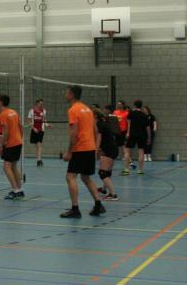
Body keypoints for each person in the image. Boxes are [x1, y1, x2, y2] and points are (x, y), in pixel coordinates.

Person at [60, 85, 105, 218]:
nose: (65, 94)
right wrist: (95, 147)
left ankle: (75, 209)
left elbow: (74, 133)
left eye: (67, 92)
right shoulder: (88, 109)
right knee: (85, 177)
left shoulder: (73, 110)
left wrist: (69, 152)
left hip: (80, 148)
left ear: (71, 94)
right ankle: (98, 204)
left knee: (70, 177)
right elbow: (95, 130)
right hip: (90, 147)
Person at [0, 95, 24, 200]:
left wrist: (0, 146)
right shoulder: (14, 112)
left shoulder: (3, 114)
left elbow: (6, 132)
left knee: (6, 167)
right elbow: (21, 126)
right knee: (13, 167)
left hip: (11, 144)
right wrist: (19, 138)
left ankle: (15, 191)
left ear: (1, 102)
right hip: (18, 142)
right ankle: (20, 190)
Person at [94, 108, 119, 201]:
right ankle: (104, 189)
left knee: (102, 173)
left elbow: (99, 138)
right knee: (107, 172)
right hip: (112, 148)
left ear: (95, 116)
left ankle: (113, 195)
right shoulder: (102, 123)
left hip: (109, 150)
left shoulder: (99, 124)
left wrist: (96, 151)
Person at [122, 100, 151, 176]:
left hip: (132, 134)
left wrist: (128, 133)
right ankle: (140, 170)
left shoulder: (131, 113)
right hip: (142, 135)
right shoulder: (144, 115)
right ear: (141, 106)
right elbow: (148, 128)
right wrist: (149, 137)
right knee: (141, 152)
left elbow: (128, 123)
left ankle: (126, 170)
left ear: (134, 105)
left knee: (127, 151)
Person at [27, 98, 50, 167]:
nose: (41, 105)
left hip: (41, 130)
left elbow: (44, 120)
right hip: (34, 129)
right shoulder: (31, 111)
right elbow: (28, 121)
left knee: (39, 144)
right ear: (37, 104)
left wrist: (48, 125)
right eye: (40, 104)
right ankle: (38, 159)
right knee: (37, 145)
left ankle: (39, 160)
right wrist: (33, 128)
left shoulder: (44, 111)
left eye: (42, 104)